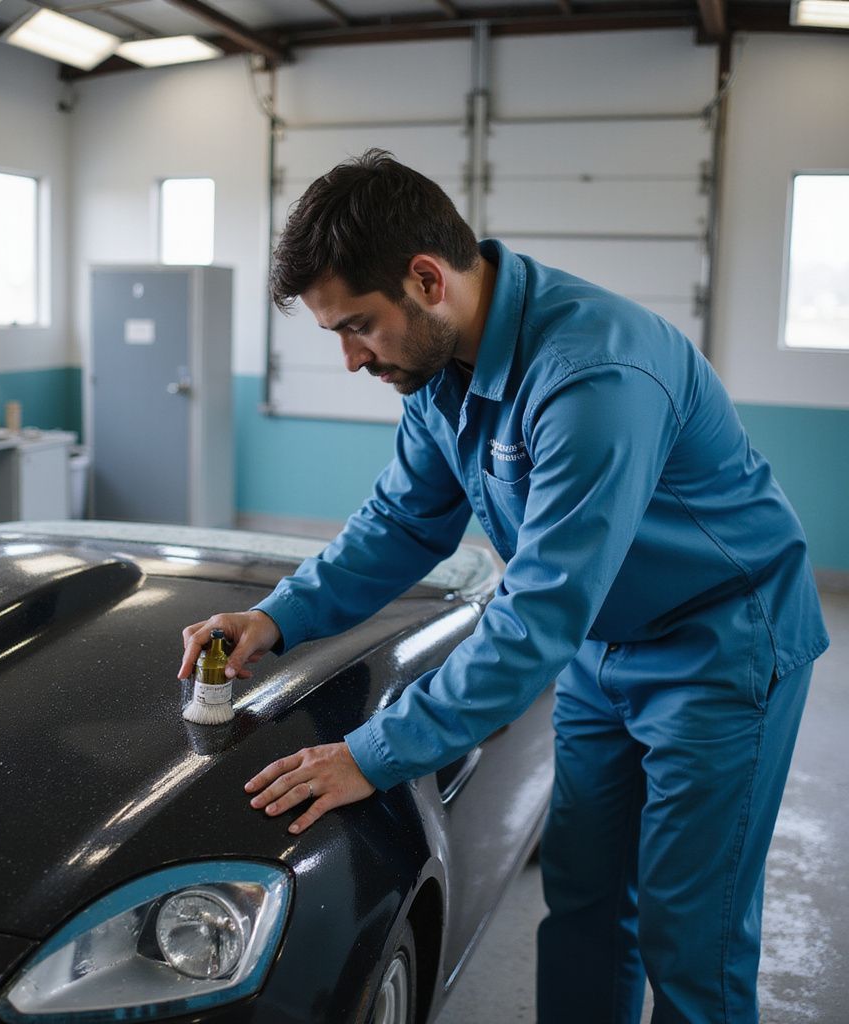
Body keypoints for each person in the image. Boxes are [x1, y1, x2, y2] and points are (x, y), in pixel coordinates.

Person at [177, 150, 828, 1023]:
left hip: (721, 647)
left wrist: (373, 753)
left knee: (691, 932)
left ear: (426, 279)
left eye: (358, 326)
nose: (350, 359)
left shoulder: (593, 376)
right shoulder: (434, 369)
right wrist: (276, 616)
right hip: (604, 647)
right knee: (587, 904)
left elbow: (536, 621)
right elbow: (405, 521)